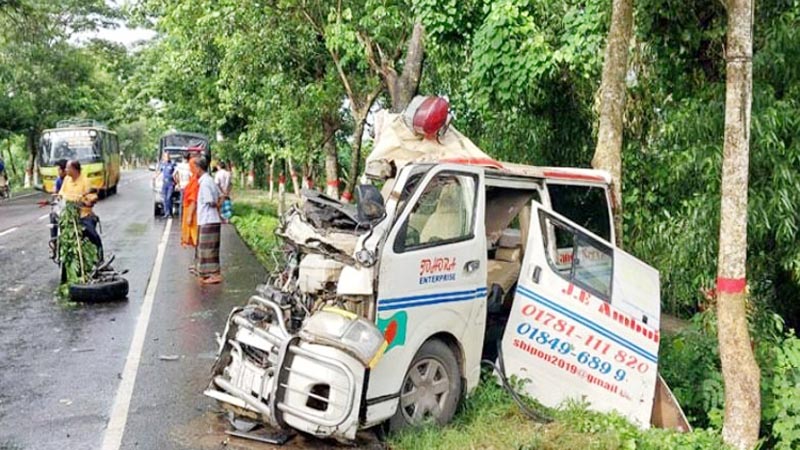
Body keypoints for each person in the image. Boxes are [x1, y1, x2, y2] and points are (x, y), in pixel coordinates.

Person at [59, 160, 103, 262]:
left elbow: (92, 197)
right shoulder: (66, 180)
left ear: (74, 169)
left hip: (83, 214)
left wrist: (89, 201)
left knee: (92, 234)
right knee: (54, 220)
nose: (65, 170)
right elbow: (61, 193)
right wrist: (60, 198)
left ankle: (100, 258)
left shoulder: (85, 181)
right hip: (68, 215)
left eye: (67, 168)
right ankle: (54, 246)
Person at [194, 157, 222, 284]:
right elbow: (222, 195)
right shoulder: (209, 180)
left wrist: (216, 205)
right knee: (206, 248)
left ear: (199, 168)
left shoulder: (205, 183)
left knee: (208, 248)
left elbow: (210, 201)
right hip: (210, 219)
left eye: (194, 168)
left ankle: (215, 274)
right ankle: (207, 273)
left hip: (208, 219)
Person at [181, 157, 200, 248]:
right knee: (193, 236)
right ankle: (197, 259)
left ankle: (199, 260)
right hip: (188, 209)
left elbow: (193, 199)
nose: (189, 168)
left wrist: (189, 216)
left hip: (192, 212)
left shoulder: (196, 180)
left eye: (191, 166)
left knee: (195, 236)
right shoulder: (193, 178)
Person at [158, 153, 178, 218]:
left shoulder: (172, 164)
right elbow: (159, 171)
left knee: (169, 198)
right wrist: (155, 177)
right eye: (165, 157)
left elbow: (176, 173)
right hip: (165, 184)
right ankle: (166, 213)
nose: (166, 158)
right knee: (164, 199)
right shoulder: (162, 164)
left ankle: (170, 213)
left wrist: (177, 182)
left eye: (167, 156)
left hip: (170, 183)